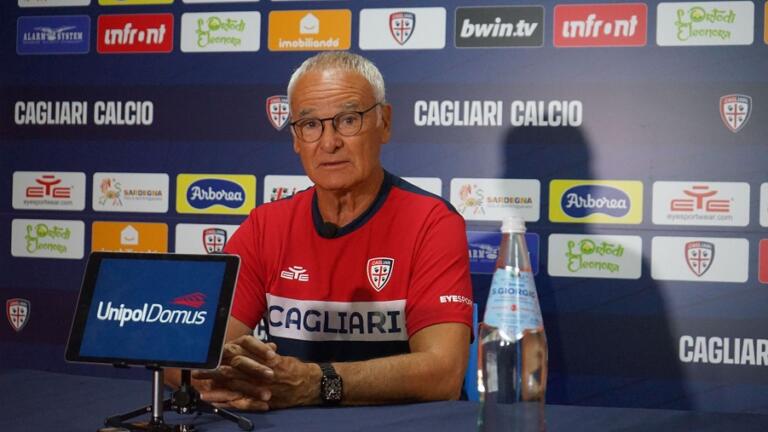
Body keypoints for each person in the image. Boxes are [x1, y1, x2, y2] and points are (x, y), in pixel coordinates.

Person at [179, 52, 473, 410]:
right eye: (310, 125)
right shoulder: (266, 226)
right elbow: (188, 354)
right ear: (295, 138)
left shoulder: (431, 221)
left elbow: (444, 373)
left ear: (384, 123)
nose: (329, 142)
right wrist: (230, 377)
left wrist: (316, 383)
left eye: (348, 120)